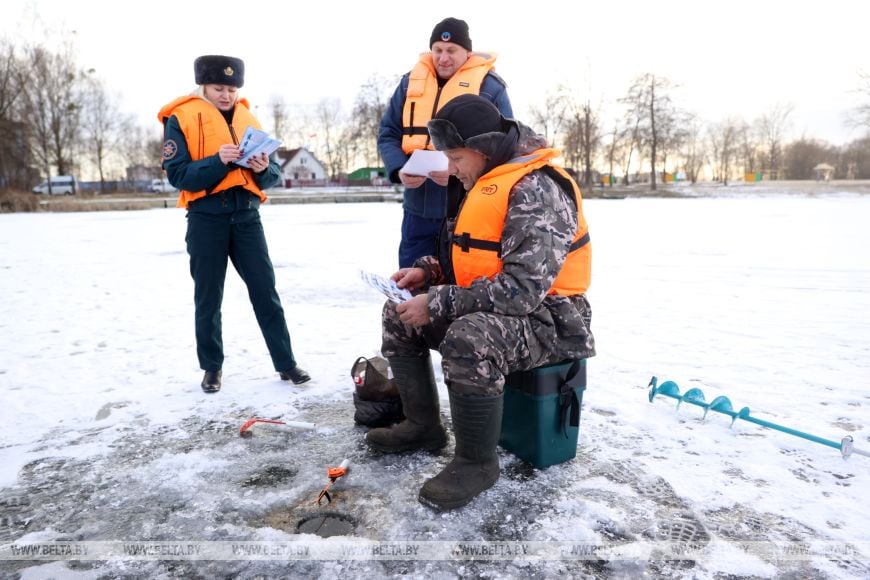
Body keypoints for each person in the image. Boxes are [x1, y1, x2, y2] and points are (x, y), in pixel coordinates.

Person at [366, 94, 595, 510]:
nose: (449, 169)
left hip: (555, 319)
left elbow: (523, 289)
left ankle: (477, 463)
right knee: (399, 315)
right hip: (509, 307)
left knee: (471, 336)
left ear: (483, 149)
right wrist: (427, 272)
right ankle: (422, 426)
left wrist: (437, 302)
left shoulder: (536, 189)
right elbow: (476, 260)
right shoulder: (486, 179)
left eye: (454, 158)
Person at [157, 54, 310, 393]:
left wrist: (260, 167)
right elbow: (179, 176)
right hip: (206, 218)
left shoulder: (249, 118)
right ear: (203, 87)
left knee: (265, 292)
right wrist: (218, 161)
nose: (226, 95)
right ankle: (212, 368)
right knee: (208, 297)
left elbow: (271, 176)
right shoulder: (180, 118)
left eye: (231, 88)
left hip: (247, 218)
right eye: (218, 88)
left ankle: (286, 363)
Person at [378, 17, 513, 268]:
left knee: (459, 285)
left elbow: (506, 145)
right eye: (437, 50)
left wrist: (456, 171)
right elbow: (388, 132)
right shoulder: (409, 84)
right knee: (410, 283)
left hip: (467, 208)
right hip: (417, 210)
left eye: (451, 50)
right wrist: (399, 169)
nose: (443, 58)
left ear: (468, 53)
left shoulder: (490, 87)